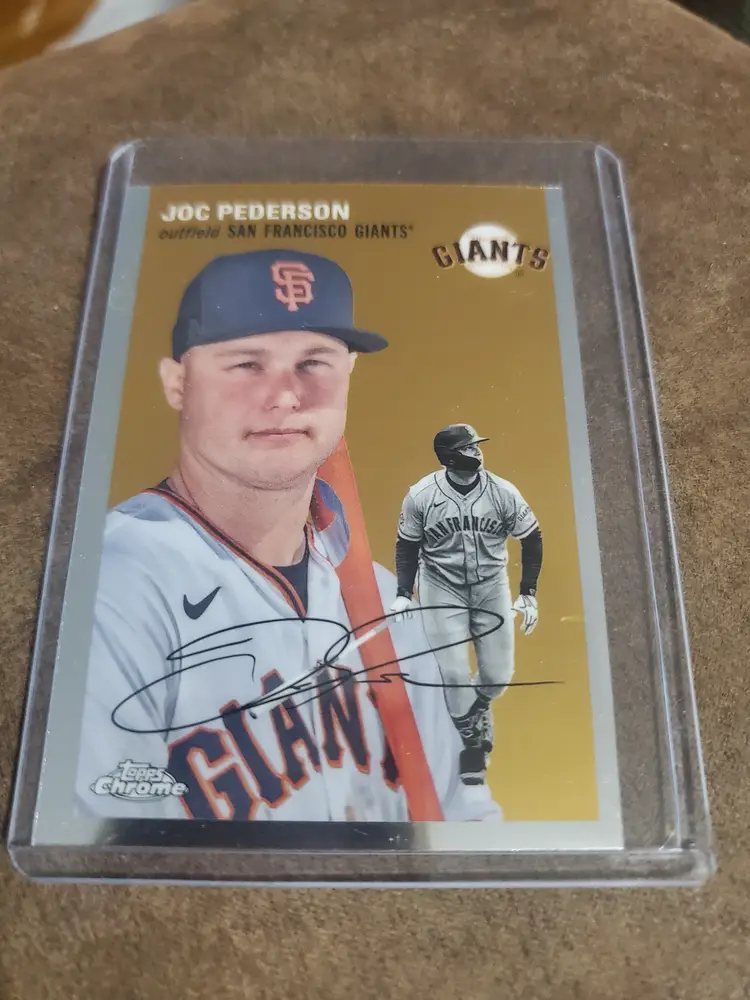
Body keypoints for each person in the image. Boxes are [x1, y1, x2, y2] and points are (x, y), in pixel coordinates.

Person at [76, 249, 501, 823]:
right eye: (247, 364)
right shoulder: (113, 583)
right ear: (177, 383)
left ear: (349, 372)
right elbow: (104, 855)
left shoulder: (384, 604)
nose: (284, 395)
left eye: (313, 361)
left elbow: (461, 821)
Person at [389, 424, 543, 785]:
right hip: (441, 587)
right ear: (449, 457)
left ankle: (478, 707)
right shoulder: (422, 495)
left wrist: (528, 591)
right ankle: (473, 744)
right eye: (468, 448)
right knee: (454, 675)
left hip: (491, 586)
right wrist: (403, 593)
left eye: (476, 447)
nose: (477, 453)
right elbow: (406, 545)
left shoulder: (502, 492)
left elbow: (531, 537)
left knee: (498, 677)